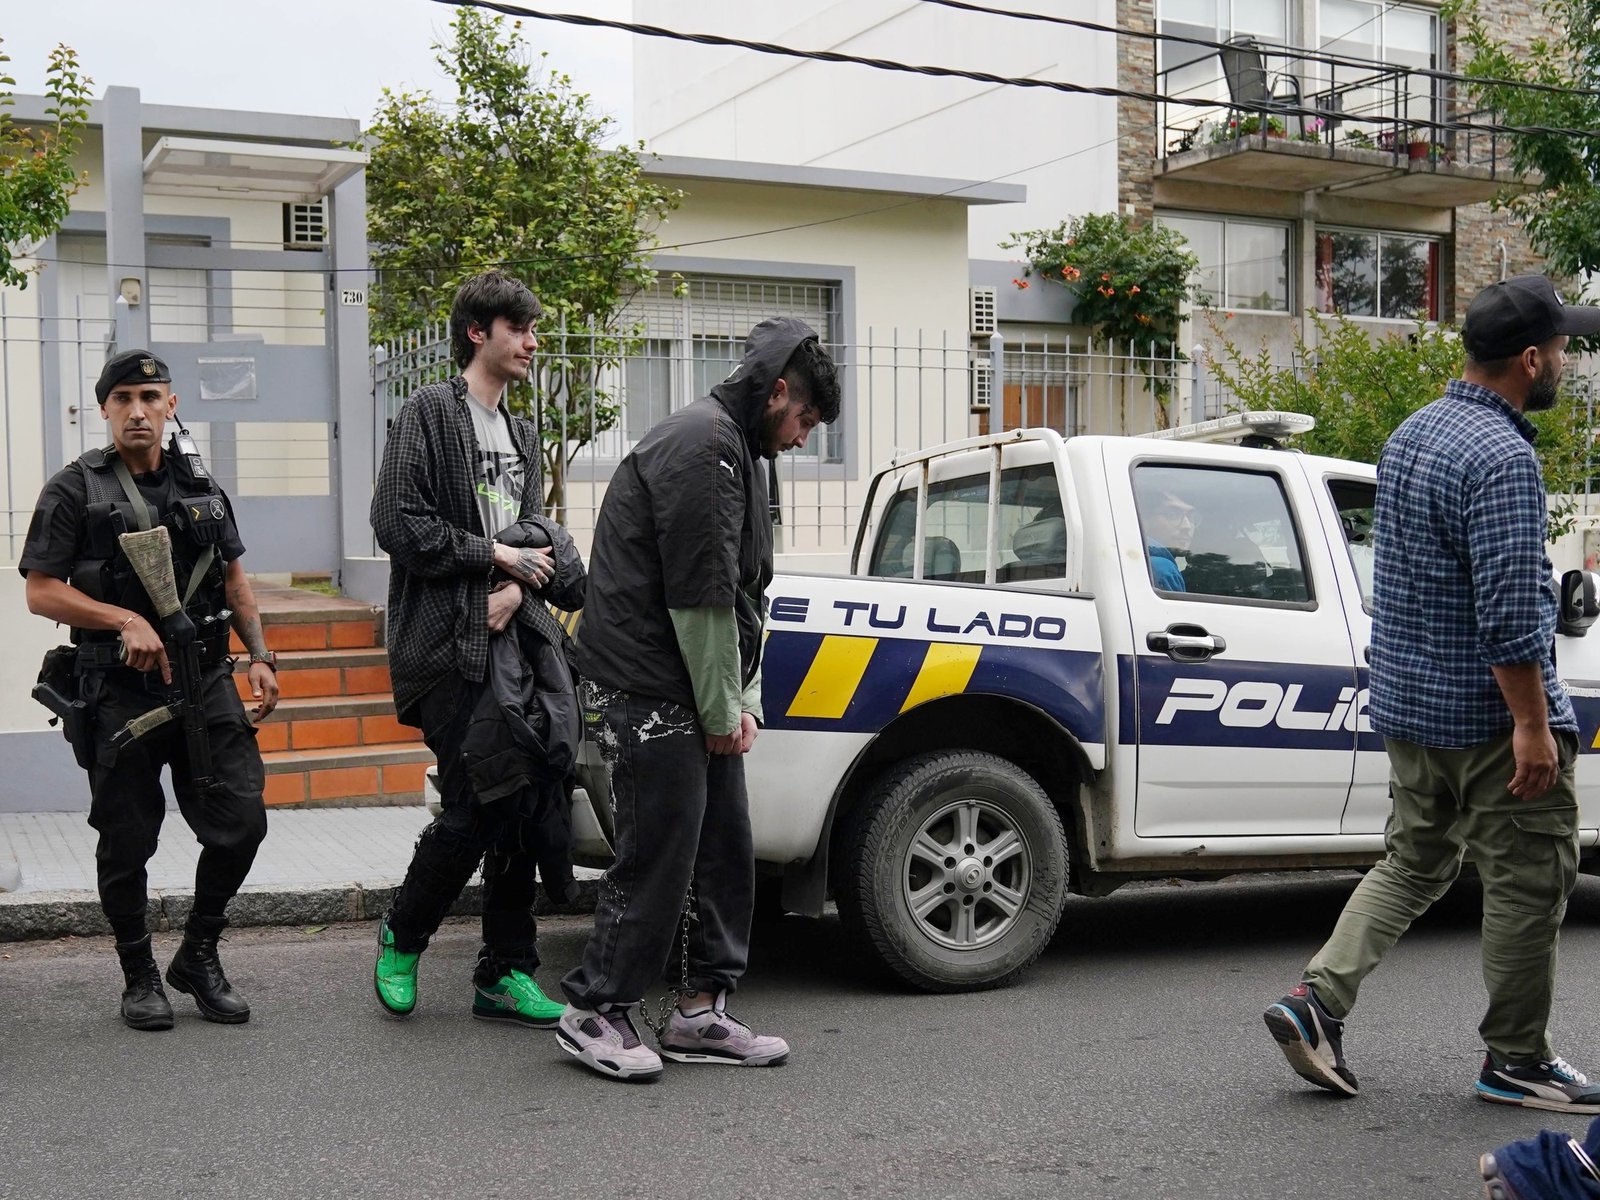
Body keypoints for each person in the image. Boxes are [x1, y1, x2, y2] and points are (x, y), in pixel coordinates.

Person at [1263, 274, 1600, 1112]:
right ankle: (1516, 1060)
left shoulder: (1413, 434)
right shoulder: (1504, 457)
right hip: (1490, 719)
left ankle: (1317, 1000)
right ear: (1529, 359)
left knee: (1413, 859)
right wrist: (1532, 725)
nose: (1565, 361)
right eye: (1561, 349)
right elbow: (1512, 612)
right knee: (1529, 881)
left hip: (1411, 709)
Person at [556, 318, 842, 1082]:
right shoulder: (701, 445)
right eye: (806, 420)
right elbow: (702, 598)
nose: (805, 439)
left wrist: (740, 699)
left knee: (722, 851)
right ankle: (597, 1011)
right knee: (658, 852)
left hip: (694, 683)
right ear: (779, 390)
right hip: (651, 682)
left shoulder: (740, 449)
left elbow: (748, 591)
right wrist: (722, 711)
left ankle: (698, 1012)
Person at [19, 350, 279, 1031]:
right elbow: (40, 591)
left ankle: (197, 953)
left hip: (207, 679)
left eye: (151, 397)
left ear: (171, 406)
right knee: (127, 838)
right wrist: (124, 618)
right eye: (124, 398)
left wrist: (260, 655)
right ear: (105, 409)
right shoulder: (73, 490)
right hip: (119, 691)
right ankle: (139, 974)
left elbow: (234, 581)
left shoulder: (202, 487)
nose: (138, 410)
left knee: (242, 821)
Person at [370, 271, 585, 1028]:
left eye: (534, 330)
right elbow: (397, 521)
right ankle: (403, 935)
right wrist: (491, 564)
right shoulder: (431, 412)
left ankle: (505, 971)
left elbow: (534, 546)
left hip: (513, 645)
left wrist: (516, 584)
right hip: (444, 650)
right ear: (478, 333)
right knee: (472, 804)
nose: (533, 342)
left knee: (524, 801)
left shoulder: (523, 435)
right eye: (519, 329)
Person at [1140, 485, 1196, 591]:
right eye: (1172, 514)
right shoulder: (1163, 570)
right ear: (1145, 520)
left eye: (1191, 516)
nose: (1187, 526)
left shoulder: (1137, 560)